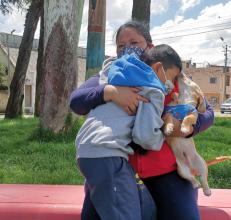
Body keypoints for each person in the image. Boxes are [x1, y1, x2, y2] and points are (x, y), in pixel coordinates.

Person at [70, 20, 214, 220]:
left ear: (150, 46)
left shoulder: (169, 74)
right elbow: (76, 101)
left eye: (134, 43)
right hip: (118, 167)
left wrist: (186, 128)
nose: (127, 49)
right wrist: (110, 92)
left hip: (167, 171)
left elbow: (208, 112)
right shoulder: (111, 73)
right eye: (121, 45)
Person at [75, 44, 183, 220]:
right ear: (157, 68)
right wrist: (163, 132)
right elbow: (145, 137)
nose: (170, 85)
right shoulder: (153, 90)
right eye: (171, 78)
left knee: (136, 207)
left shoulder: (117, 75)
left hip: (87, 150)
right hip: (108, 153)